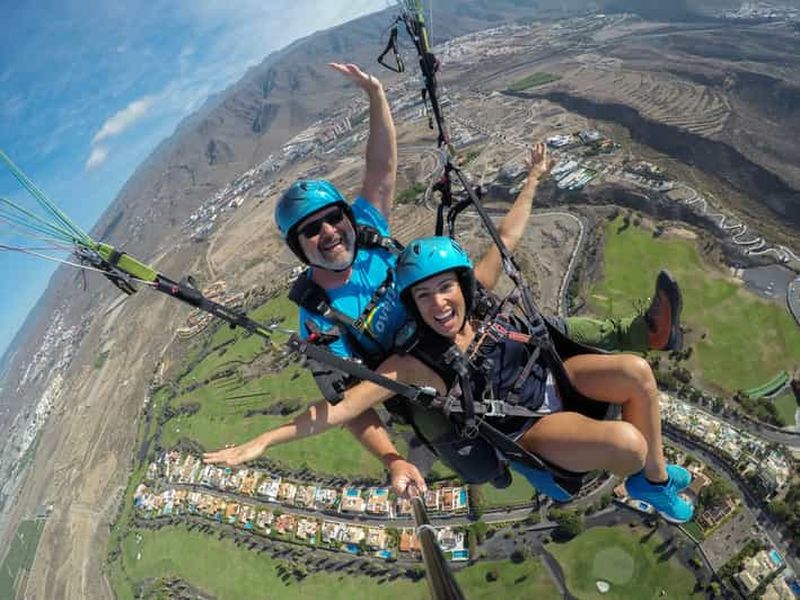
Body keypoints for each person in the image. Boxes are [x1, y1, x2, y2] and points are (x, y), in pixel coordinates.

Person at [240, 63, 683, 497]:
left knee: (540, 328)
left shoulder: (373, 240)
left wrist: (377, 97)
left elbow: (384, 173)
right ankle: (507, 462)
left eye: (334, 219)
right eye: (312, 230)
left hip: (480, 345)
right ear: (298, 246)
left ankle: (645, 347)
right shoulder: (323, 319)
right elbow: (346, 407)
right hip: (430, 378)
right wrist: (385, 457)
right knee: (463, 416)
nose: (330, 232)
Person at [205, 235, 694, 523]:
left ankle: (654, 482)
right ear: (413, 307)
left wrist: (531, 180)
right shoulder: (414, 363)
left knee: (637, 371)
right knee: (630, 445)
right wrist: (264, 441)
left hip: (552, 382)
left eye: (445, 289)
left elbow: (505, 236)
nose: (439, 304)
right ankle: (648, 477)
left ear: (462, 287)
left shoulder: (480, 311)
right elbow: (341, 409)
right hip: (529, 428)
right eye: (424, 298)